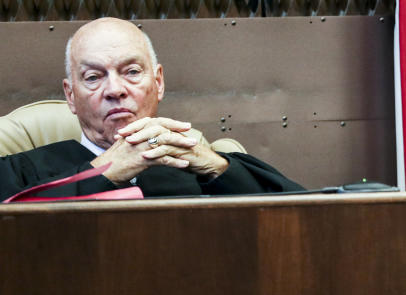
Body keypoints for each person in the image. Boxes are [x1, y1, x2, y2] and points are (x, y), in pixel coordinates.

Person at [0, 17, 303, 198]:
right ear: (70, 96)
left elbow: (300, 218)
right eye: (93, 77)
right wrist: (103, 172)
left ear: (158, 82)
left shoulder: (199, 167)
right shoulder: (23, 170)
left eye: (132, 72)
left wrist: (215, 166)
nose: (115, 90)